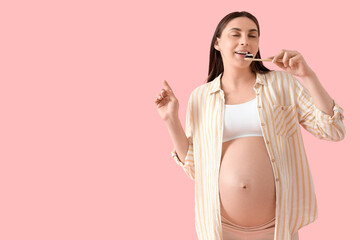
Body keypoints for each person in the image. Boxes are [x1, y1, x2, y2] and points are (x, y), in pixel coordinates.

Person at [154, 11, 345, 240]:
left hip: (277, 227)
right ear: (217, 43)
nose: (245, 41)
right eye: (236, 34)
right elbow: (197, 168)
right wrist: (171, 120)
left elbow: (333, 130)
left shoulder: (282, 84)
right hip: (220, 227)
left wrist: (308, 76)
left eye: (252, 35)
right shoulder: (201, 97)